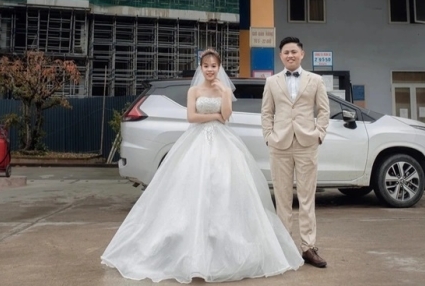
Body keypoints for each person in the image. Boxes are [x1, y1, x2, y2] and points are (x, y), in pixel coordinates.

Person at [101, 48, 303, 283]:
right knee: (191, 189)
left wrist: (223, 95)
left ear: (219, 68)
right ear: (201, 67)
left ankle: (220, 242)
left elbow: (226, 115)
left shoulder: (224, 89)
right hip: (196, 140)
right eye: (205, 65)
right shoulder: (194, 90)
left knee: (223, 188)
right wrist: (214, 116)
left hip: (222, 141)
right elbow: (191, 117)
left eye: (213, 66)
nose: (209, 69)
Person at [261, 36, 330, 268]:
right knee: (281, 197)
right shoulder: (271, 82)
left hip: (306, 144)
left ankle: (308, 248)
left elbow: (323, 110)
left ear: (302, 53)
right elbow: (266, 112)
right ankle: (284, 247)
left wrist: (319, 134)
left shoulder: (316, 80)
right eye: (286, 52)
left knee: (307, 197)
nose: (290, 55)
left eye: (294, 51)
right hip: (279, 145)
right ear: (280, 56)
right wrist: (268, 137)